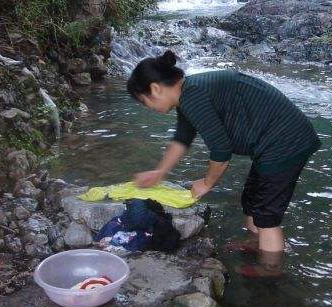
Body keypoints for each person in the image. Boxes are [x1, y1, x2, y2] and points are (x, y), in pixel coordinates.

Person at [127, 51, 320, 276]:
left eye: (145, 102)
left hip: (286, 142)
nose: (148, 107)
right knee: (251, 201)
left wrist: (207, 183)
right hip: (272, 143)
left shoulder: (193, 96)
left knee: (267, 216)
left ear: (155, 89)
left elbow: (221, 150)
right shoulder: (188, 94)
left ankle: (270, 269)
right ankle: (258, 243)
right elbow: (182, 139)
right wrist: (160, 172)